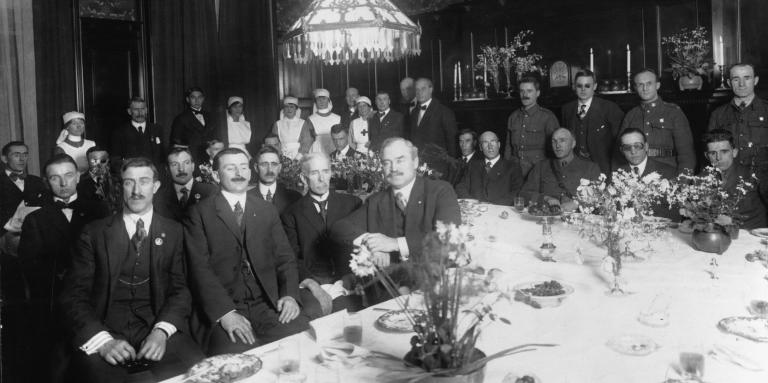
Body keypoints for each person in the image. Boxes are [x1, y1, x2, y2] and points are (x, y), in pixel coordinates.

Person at [60, 157, 204, 382]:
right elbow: (73, 297)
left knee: (202, 375)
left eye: (144, 181)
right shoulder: (94, 233)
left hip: (155, 326)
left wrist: (161, 332)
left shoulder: (174, 231)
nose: (136, 190)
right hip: (105, 331)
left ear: (155, 187)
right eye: (129, 182)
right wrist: (103, 341)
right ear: (121, 187)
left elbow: (181, 290)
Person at [185, 148, 310, 354]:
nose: (239, 173)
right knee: (240, 361)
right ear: (216, 175)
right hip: (225, 309)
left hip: (267, 305)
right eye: (230, 168)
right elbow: (199, 270)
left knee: (301, 344)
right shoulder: (199, 213)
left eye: (243, 167)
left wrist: (289, 295)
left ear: (250, 172)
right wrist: (226, 314)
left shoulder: (265, 209)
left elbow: (285, 258)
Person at [331, 138, 461, 302]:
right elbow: (339, 228)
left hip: (436, 287)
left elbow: (449, 239)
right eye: (387, 163)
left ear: (415, 162)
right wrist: (372, 244)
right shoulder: (376, 201)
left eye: (400, 160)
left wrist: (394, 244)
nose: (393, 168)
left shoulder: (440, 191)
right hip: (391, 291)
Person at [18, 154, 109, 382]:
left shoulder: (100, 211)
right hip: (54, 305)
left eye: (68, 175)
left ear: (78, 176)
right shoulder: (35, 219)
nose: (63, 183)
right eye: (55, 178)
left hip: (96, 301)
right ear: (47, 182)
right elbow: (31, 269)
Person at [281, 153, 363, 318]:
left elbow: (363, 247)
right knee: (315, 317)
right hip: (314, 282)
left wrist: (352, 277)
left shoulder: (352, 203)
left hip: (350, 279)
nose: (321, 178)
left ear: (331, 173)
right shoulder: (291, 214)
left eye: (325, 171)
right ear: (304, 179)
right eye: (314, 173)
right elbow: (291, 257)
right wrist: (313, 285)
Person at [707, 63, 768, 198]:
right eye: (736, 79)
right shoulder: (718, 114)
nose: (741, 84)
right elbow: (710, 154)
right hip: (731, 186)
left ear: (755, 80)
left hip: (764, 184)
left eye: (747, 78)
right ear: (729, 82)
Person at [620, 68, 695, 174]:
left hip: (668, 173)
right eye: (640, 85)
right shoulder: (631, 115)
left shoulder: (673, 113)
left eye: (649, 83)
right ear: (635, 88)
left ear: (657, 85)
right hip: (637, 175)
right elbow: (621, 152)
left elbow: (686, 154)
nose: (645, 88)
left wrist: (682, 182)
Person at [521, 128, 601, 212]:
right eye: (554, 141)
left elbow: (600, 199)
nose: (557, 145)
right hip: (547, 218)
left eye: (562, 140)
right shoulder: (541, 167)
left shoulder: (590, 168)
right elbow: (523, 195)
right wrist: (546, 199)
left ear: (573, 144)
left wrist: (577, 204)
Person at [561, 70, 624, 175]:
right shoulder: (567, 109)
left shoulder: (609, 108)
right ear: (574, 87)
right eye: (579, 86)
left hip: (602, 167)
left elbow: (619, 142)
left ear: (594, 86)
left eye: (587, 86)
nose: (583, 89)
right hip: (575, 167)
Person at [702, 129, 767, 230]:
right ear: (706, 156)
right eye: (713, 153)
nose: (718, 158)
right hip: (718, 237)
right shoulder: (701, 179)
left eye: (724, 151)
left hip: (754, 237)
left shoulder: (754, 175)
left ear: (734, 152)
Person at [616, 128, 679, 220]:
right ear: (622, 150)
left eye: (637, 146)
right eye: (627, 147)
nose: (633, 151)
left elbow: (676, 213)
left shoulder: (668, 173)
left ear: (646, 146)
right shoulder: (616, 174)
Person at [504, 76, 560, 176]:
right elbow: (508, 148)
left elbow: (555, 149)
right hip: (515, 171)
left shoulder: (547, 117)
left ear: (537, 93)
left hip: (538, 172)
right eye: (522, 91)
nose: (525, 95)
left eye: (529, 91)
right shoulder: (513, 117)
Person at [456, 131, 523, 206]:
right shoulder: (472, 166)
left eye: (493, 142)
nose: (490, 146)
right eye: (485, 142)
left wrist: (494, 206)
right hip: (476, 211)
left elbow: (517, 192)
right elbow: (461, 187)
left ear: (499, 145)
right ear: (481, 147)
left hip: (501, 212)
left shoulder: (512, 167)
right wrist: (472, 203)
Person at [155, 148, 218, 222]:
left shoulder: (211, 192)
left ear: (193, 166)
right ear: (167, 170)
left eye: (186, 163)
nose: (181, 169)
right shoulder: (159, 198)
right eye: (174, 164)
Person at [1, 141, 49, 238]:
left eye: (25, 155)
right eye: (16, 155)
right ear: (5, 159)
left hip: (35, 233)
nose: (22, 159)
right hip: (5, 234)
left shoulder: (37, 181)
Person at [110, 97, 164, 171]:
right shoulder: (120, 132)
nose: (140, 112)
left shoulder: (157, 129)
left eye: (142, 109)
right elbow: (115, 159)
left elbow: (163, 155)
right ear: (129, 111)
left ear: (146, 110)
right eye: (136, 109)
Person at [408, 78, 458, 157]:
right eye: (417, 89)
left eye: (423, 89)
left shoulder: (444, 111)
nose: (419, 92)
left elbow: (452, 142)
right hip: (418, 160)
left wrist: (452, 165)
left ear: (431, 89)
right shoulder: (414, 112)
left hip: (438, 162)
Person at [248, 146, 302, 215]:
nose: (270, 170)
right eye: (264, 164)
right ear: (256, 168)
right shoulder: (246, 199)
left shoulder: (294, 197)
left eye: (274, 164)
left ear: (279, 168)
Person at [170, 87, 216, 161]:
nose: (197, 100)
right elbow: (176, 141)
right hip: (192, 157)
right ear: (188, 100)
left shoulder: (210, 116)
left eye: (199, 97)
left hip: (210, 156)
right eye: (193, 97)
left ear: (203, 99)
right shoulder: (181, 118)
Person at [77, 146, 120, 213]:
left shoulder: (117, 180)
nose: (99, 165)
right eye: (94, 161)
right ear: (87, 161)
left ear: (108, 160)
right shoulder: (79, 182)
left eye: (103, 161)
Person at [272, 96, 314, 160]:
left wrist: (297, 158)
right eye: (286, 107)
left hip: (299, 155)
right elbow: (275, 142)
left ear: (296, 109)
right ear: (283, 109)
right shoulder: (277, 124)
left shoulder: (303, 123)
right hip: (282, 155)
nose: (289, 109)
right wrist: (281, 156)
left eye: (292, 107)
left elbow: (306, 142)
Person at [308, 88, 341, 155]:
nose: (321, 101)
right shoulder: (311, 119)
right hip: (317, 149)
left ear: (328, 101)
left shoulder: (337, 118)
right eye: (318, 99)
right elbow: (309, 139)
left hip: (334, 146)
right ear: (315, 102)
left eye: (324, 99)